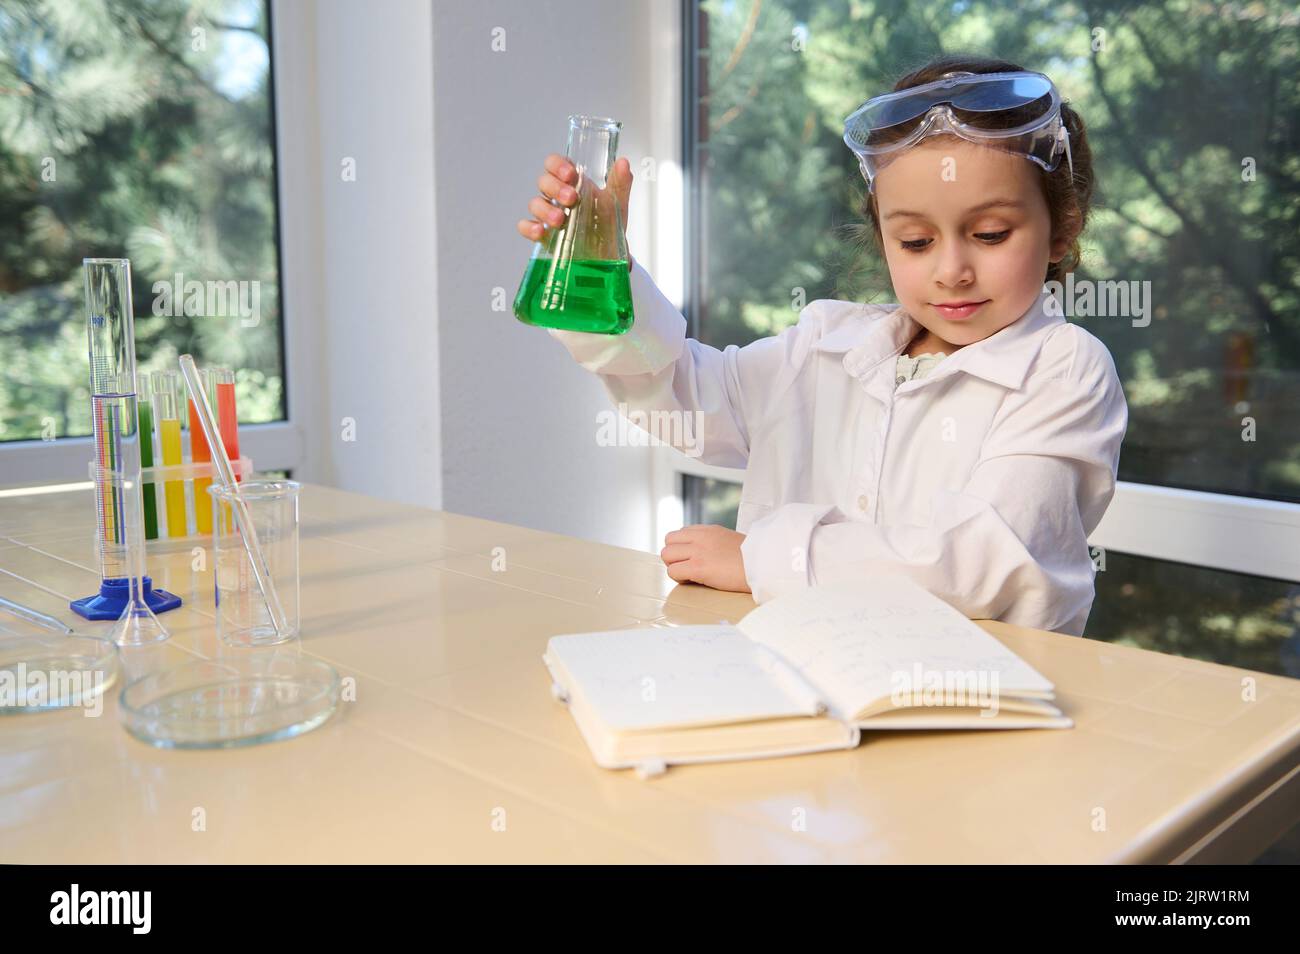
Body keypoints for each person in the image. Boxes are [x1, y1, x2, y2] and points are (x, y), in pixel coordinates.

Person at [516, 55, 1128, 637]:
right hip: (802, 683)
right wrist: (601, 273)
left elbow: (982, 563)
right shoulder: (826, 344)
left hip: (979, 707)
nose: (952, 270)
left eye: (990, 234)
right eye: (915, 240)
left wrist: (762, 561)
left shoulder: (1064, 369)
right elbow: (685, 393)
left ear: (1062, 228)